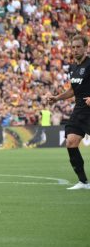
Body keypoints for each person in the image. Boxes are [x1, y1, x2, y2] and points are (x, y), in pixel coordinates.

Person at [47, 34, 90, 190]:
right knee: (71, 142)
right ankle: (83, 182)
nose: (75, 50)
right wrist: (57, 98)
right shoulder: (73, 68)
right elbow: (73, 89)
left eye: (79, 46)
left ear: (86, 47)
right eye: (73, 47)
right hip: (79, 110)